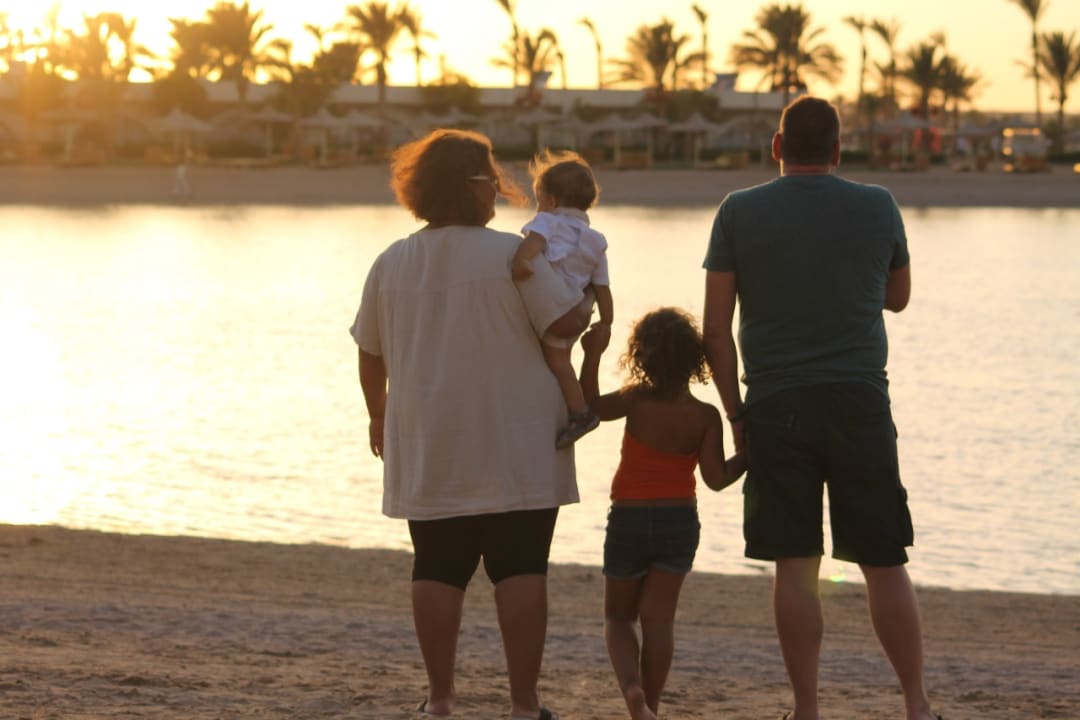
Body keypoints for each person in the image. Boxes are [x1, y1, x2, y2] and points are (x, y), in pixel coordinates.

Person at [701, 96, 941, 720]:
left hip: (775, 404)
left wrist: (735, 414)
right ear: (838, 150)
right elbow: (898, 297)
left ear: (777, 147)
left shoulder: (738, 210)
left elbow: (714, 330)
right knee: (884, 560)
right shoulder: (878, 204)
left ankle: (807, 709)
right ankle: (916, 705)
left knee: (795, 565)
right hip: (859, 401)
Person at [351, 128, 596, 720]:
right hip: (520, 439)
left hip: (430, 439)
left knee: (437, 566)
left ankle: (440, 700)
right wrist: (592, 301)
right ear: (470, 186)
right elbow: (563, 323)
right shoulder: (515, 256)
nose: (499, 189)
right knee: (521, 567)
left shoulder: (391, 261)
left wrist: (378, 413)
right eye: (491, 178)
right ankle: (524, 705)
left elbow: (369, 351)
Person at [578, 307, 746, 720]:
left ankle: (632, 691)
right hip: (678, 522)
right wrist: (749, 455)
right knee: (659, 622)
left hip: (629, 519)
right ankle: (649, 706)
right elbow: (716, 479)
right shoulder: (705, 416)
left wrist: (592, 354)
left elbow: (590, 407)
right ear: (695, 360)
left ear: (641, 355)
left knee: (619, 618)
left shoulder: (635, 399)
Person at [511, 149, 612, 449]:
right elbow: (602, 288)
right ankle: (567, 407)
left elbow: (534, 242)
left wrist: (521, 261)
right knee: (562, 363)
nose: (538, 208)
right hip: (579, 314)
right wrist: (606, 322)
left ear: (552, 202)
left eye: (539, 200)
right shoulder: (596, 240)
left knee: (555, 363)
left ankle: (582, 415)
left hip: (556, 312)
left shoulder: (548, 222)